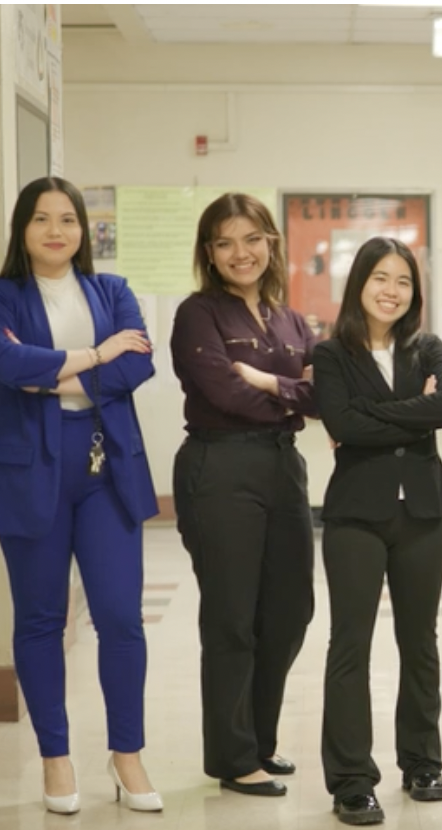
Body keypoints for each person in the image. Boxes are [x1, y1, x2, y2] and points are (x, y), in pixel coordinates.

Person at [0, 176, 162, 814]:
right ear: (22, 229)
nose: (57, 231)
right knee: (41, 620)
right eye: (42, 219)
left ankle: (127, 754)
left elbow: (137, 362)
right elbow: (2, 363)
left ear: (84, 231)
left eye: (69, 220)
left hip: (107, 467)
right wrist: (90, 354)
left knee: (119, 617)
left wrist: (48, 373)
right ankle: (56, 759)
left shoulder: (112, 290)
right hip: (30, 471)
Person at [170, 192, 318, 797]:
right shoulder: (198, 313)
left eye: (252, 238)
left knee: (288, 611)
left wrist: (271, 383)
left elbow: (323, 393)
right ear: (209, 252)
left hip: (283, 468)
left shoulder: (290, 318)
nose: (241, 253)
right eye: (225, 242)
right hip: (220, 467)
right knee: (232, 616)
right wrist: (290, 390)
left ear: (271, 243)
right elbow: (224, 394)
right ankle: (234, 758)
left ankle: (260, 738)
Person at [312, 238, 442, 826]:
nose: (391, 290)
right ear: (359, 285)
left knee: (419, 642)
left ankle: (422, 762)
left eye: (403, 281)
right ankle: (352, 779)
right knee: (351, 643)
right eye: (380, 278)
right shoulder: (331, 354)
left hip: (422, 508)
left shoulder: (428, 348)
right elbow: (340, 423)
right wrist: (407, 411)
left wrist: (370, 419)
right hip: (356, 513)